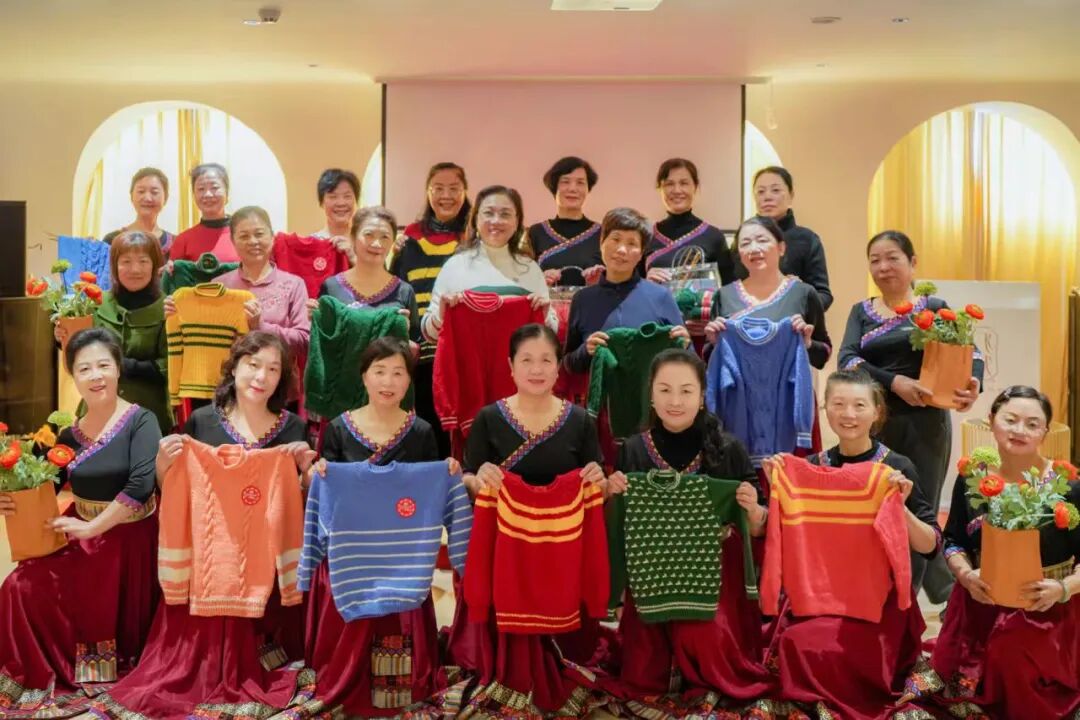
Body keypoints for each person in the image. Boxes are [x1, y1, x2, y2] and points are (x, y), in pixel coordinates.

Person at [97, 331, 317, 719]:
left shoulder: (293, 430)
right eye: (253, 365)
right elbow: (175, 489)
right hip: (208, 561)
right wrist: (163, 463)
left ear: (282, 379)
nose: (261, 376)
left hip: (262, 567)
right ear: (234, 368)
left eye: (272, 369)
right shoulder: (201, 421)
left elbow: (296, 502)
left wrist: (304, 474)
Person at [439, 324, 606, 717]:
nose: (536, 369)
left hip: (560, 555)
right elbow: (467, 478)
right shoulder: (488, 418)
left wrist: (598, 478)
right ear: (510, 366)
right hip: (506, 554)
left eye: (546, 360)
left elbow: (595, 477)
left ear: (559, 367)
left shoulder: (580, 421)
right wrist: (477, 478)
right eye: (527, 360)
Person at [596, 348, 771, 717]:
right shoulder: (632, 450)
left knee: (703, 636)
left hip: (715, 575)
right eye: (665, 390)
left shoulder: (730, 449)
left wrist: (753, 510)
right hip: (651, 573)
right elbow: (619, 525)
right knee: (645, 663)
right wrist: (611, 495)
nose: (675, 401)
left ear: (702, 396)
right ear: (651, 395)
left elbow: (759, 528)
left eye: (686, 391)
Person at [761, 369, 941, 719]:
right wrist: (778, 485)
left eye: (859, 405)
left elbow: (931, 545)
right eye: (838, 404)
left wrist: (900, 506)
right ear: (825, 409)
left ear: (877, 412)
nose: (848, 414)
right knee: (800, 643)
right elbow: (784, 534)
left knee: (848, 650)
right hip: (818, 593)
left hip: (877, 598)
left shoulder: (895, 468)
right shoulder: (809, 468)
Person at [0, 329, 162, 708]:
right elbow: (47, 485)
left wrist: (92, 528)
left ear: (118, 369)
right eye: (84, 368)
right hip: (80, 532)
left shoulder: (142, 420)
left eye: (103, 365)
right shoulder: (68, 434)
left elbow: (141, 484)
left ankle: (101, 665)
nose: (95, 376)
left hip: (130, 538)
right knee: (19, 587)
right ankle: (38, 669)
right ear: (73, 375)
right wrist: (13, 499)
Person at [305, 337, 459, 715]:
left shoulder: (421, 432)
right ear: (364, 376)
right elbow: (325, 495)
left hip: (402, 554)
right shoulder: (339, 429)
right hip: (352, 554)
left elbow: (429, 494)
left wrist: (448, 473)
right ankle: (348, 678)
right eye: (379, 371)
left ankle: (402, 684)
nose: (388, 382)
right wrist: (317, 474)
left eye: (398, 373)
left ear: (409, 381)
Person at [838, 230, 982, 601]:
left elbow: (972, 353)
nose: (883, 267)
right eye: (875, 260)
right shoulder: (861, 312)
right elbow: (847, 361)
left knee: (920, 510)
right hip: (875, 424)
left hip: (927, 424)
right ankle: (892, 593)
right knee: (876, 506)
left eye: (893, 258)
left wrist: (973, 384)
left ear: (913, 262)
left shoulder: (934, 306)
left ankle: (909, 604)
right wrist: (894, 382)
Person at [932, 385, 1080, 720]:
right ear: (991, 420)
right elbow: (953, 540)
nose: (1020, 430)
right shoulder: (972, 480)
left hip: (1048, 610)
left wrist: (1062, 589)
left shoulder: (1069, 486)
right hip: (980, 603)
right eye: (1010, 420)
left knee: (1012, 653)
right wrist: (966, 575)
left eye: (1032, 424)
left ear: (1045, 432)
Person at [391, 162, 470, 458]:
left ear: (465, 192)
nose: (446, 196)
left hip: (464, 350)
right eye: (438, 188)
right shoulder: (409, 240)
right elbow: (397, 290)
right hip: (422, 353)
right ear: (428, 192)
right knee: (427, 426)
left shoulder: (475, 239)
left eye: (454, 189)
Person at [563, 207, 689, 376]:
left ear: (641, 253)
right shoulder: (582, 299)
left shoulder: (661, 296)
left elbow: (689, 361)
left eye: (632, 243)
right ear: (601, 242)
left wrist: (685, 344)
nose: (621, 250)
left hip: (650, 392)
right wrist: (586, 350)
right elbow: (568, 365)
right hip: (601, 393)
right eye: (615, 239)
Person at [421, 185, 556, 342]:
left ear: (516, 222)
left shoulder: (530, 269)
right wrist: (440, 315)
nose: (496, 221)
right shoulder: (455, 266)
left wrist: (545, 316)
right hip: (468, 357)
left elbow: (552, 332)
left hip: (519, 358)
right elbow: (429, 334)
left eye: (505, 214)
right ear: (476, 219)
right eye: (488, 213)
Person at [704, 216, 831, 370]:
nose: (754, 249)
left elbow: (824, 355)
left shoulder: (803, 293)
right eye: (745, 243)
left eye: (762, 240)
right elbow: (709, 359)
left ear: (781, 248)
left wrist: (807, 344)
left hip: (787, 384)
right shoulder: (724, 296)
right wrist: (714, 343)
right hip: (737, 384)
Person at [214, 206, 310, 387]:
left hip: (280, 387)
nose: (253, 241)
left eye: (259, 234)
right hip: (230, 387)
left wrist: (261, 326)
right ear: (233, 241)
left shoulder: (293, 284)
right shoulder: (220, 286)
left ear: (272, 237)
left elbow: (304, 341)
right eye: (244, 236)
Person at [93, 231, 171, 433]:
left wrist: (130, 366)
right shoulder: (97, 303)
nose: (135, 269)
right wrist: (61, 337)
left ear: (155, 265)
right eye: (126, 262)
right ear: (115, 266)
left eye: (143, 261)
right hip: (97, 413)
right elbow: (81, 352)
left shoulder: (168, 308)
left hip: (148, 415)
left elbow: (171, 364)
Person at [318, 206, 419, 340]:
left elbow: (415, 344)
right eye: (368, 235)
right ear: (353, 237)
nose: (376, 244)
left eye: (384, 237)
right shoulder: (332, 287)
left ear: (392, 242)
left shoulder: (404, 291)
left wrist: (403, 334)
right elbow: (322, 340)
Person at [742, 166, 832, 310]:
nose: (767, 197)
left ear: (791, 195)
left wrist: (802, 293)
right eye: (761, 191)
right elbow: (729, 288)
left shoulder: (807, 239)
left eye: (775, 190)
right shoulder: (744, 239)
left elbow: (824, 295)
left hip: (794, 321)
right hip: (747, 319)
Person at [644, 158, 735, 288]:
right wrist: (644, 282)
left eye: (684, 183)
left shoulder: (714, 237)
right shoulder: (646, 236)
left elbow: (728, 288)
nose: (677, 190)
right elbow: (632, 287)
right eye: (669, 184)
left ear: (695, 187)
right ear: (660, 189)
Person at [526, 156, 603, 287]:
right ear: (554, 187)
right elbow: (523, 280)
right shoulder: (535, 233)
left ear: (588, 189)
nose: (573, 189)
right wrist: (540, 280)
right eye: (565, 182)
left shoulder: (603, 234)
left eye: (580, 183)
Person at [169, 163, 238, 262]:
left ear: (226, 192)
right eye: (201, 189)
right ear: (194, 195)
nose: (208, 194)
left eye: (214, 188)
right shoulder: (184, 240)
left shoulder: (243, 235)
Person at [101, 167, 174, 255]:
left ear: (165, 198)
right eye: (141, 191)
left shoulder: (176, 243)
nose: (147, 198)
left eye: (154, 192)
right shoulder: (112, 240)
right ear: (131, 196)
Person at [311, 167, 360, 261]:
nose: (341, 203)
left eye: (347, 196)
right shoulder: (312, 244)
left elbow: (380, 271)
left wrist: (354, 258)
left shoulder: (366, 243)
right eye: (333, 197)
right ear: (322, 202)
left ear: (356, 201)